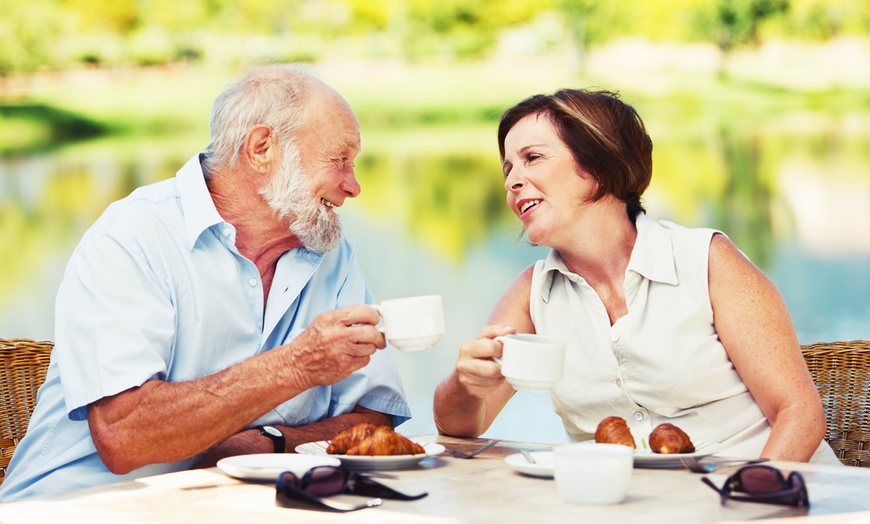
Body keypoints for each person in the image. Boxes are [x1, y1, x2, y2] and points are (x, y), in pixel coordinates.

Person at [0, 64, 412, 502]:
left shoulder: (332, 255)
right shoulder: (133, 236)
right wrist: (296, 365)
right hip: (78, 508)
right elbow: (125, 437)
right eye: (340, 160)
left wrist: (268, 442)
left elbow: (374, 418)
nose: (354, 185)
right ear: (261, 149)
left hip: (233, 507)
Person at [433, 88, 839, 464]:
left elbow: (798, 413)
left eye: (532, 158)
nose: (511, 181)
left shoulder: (708, 261)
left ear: (597, 166)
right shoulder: (531, 293)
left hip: (773, 495)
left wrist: (754, 496)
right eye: (507, 168)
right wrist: (466, 383)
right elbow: (461, 426)